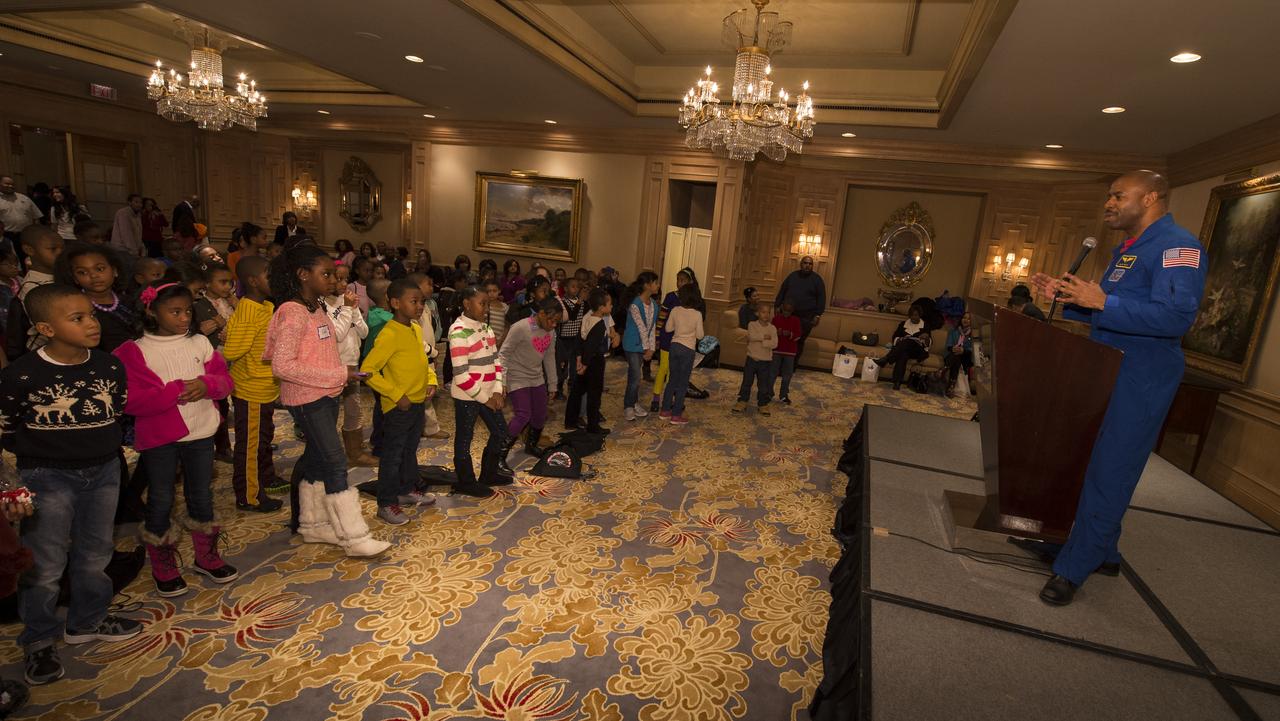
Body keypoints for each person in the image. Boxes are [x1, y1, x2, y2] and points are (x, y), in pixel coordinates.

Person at [1029, 170, 1206, 606]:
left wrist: (1104, 301)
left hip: (1141, 378)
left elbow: (1176, 318)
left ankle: (1074, 566)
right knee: (1090, 462)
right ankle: (1100, 550)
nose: (1108, 203)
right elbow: (1109, 313)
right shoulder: (1128, 250)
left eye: (1118, 195)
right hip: (1106, 370)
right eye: (1108, 196)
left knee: (1112, 470)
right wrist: (1068, 299)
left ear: (1150, 198)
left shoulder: (1177, 247)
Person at [0, 284, 142, 685]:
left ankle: (87, 620)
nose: (91, 323)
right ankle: (39, 638)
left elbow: (115, 410)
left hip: (104, 470)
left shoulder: (109, 366)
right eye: (77, 318)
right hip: (47, 474)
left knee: (96, 550)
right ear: (46, 328)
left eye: (91, 315)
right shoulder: (21, 374)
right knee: (44, 562)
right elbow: (7, 429)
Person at [263, 243, 389, 557]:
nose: (333, 280)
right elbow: (282, 366)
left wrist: (341, 374)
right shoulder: (292, 312)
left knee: (319, 459)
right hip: (307, 398)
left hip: (325, 393)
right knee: (335, 461)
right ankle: (354, 537)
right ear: (303, 275)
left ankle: (314, 525)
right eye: (326, 274)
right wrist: (338, 374)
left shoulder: (315, 306)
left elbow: (325, 343)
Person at [114, 280, 238, 597]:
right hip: (160, 438)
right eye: (175, 312)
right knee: (161, 497)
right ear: (151, 311)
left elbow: (225, 381)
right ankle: (163, 564)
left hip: (201, 431)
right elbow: (130, 400)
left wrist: (207, 385)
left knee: (201, 494)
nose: (184, 318)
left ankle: (206, 556)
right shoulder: (133, 351)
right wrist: (175, 391)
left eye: (187, 311)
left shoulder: (199, 342)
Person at [361, 278, 438, 525]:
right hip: (398, 407)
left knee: (408, 451)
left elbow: (423, 361)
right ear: (395, 303)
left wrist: (431, 380)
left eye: (422, 302)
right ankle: (385, 503)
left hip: (417, 403)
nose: (420, 306)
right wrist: (396, 395)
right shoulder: (389, 334)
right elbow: (368, 371)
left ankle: (405, 490)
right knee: (392, 456)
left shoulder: (414, 329)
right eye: (414, 301)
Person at [222, 256, 286, 513]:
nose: (275, 280)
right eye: (269, 275)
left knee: (263, 438)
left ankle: (264, 478)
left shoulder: (266, 306)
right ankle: (249, 495)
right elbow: (232, 350)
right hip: (251, 389)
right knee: (250, 445)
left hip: (265, 386)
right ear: (252, 281)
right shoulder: (248, 310)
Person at [449, 285, 512, 489]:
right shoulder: (459, 332)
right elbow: (461, 376)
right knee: (465, 438)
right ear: (467, 304)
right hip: (468, 396)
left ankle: (489, 474)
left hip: (489, 394)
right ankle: (466, 482)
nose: (486, 308)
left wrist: (497, 389)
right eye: (482, 303)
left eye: (488, 304)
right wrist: (486, 399)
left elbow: (496, 361)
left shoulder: (486, 328)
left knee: (501, 432)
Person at [499, 296, 561, 464]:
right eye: (551, 320)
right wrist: (501, 381)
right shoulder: (520, 327)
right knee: (523, 415)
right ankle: (499, 455)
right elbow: (503, 354)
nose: (554, 325)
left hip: (536, 377)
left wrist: (553, 384)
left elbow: (549, 357)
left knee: (540, 414)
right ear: (541, 314)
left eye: (557, 321)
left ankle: (531, 445)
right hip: (516, 376)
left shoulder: (551, 332)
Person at [326, 263, 377, 467]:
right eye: (338, 278)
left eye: (345, 278)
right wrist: (348, 308)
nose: (343, 283)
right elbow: (337, 334)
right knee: (329, 411)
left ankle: (355, 452)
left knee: (354, 408)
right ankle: (328, 453)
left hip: (351, 364)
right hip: (333, 366)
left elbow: (364, 333)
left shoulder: (346, 302)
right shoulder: (322, 305)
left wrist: (354, 310)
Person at [53, 243, 137, 353]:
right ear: (75, 279)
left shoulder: (132, 301)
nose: (93, 276)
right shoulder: (76, 310)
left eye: (100, 269)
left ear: (115, 271)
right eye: (82, 272)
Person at [409, 272, 450, 442]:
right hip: (422, 355)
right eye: (429, 284)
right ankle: (423, 428)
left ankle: (427, 427)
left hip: (429, 355)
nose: (432, 288)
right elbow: (415, 337)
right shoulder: (413, 309)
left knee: (428, 395)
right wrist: (432, 352)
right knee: (422, 395)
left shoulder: (427, 305)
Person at [566, 288, 614, 434]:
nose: (611, 306)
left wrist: (579, 359)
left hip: (584, 360)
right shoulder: (599, 324)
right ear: (601, 307)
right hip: (594, 362)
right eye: (609, 304)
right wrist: (585, 365)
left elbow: (579, 341)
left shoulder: (586, 319)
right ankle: (593, 426)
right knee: (594, 394)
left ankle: (570, 421)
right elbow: (592, 347)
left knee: (577, 391)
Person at [651, 269, 697, 412]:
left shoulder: (691, 300)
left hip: (682, 341)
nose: (679, 283)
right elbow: (661, 317)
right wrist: (657, 336)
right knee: (663, 368)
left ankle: (669, 398)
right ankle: (656, 398)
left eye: (683, 280)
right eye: (678, 280)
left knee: (674, 372)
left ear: (690, 282)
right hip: (667, 338)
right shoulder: (671, 297)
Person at [660, 284, 704, 425]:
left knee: (672, 380)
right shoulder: (697, 314)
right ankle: (676, 415)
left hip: (674, 346)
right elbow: (700, 335)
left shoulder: (675, 310)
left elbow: (668, 328)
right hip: (688, 349)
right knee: (683, 383)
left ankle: (665, 410)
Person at [361, 279, 394, 458]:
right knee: (386, 406)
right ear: (388, 296)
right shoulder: (385, 319)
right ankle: (381, 445)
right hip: (380, 368)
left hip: (374, 365)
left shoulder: (374, 313)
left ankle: (377, 438)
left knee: (381, 404)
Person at [622, 271, 660, 421]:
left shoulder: (654, 305)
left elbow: (652, 327)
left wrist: (652, 348)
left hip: (643, 346)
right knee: (636, 376)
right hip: (632, 344)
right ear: (647, 285)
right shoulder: (635, 304)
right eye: (655, 282)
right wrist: (647, 348)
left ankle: (633, 402)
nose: (658, 285)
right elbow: (641, 327)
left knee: (635, 376)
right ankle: (628, 406)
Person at [774, 255, 827, 363]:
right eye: (805, 263)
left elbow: (822, 298)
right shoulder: (792, 276)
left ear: (812, 266)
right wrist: (777, 306)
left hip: (806, 317)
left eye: (810, 264)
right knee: (783, 339)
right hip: (788, 314)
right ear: (801, 264)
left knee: (799, 341)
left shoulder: (817, 279)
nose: (807, 265)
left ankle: (792, 366)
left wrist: (817, 315)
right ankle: (780, 365)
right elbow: (782, 291)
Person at [876, 304, 932, 391]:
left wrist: (926, 338)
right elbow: (895, 337)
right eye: (912, 315)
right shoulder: (903, 324)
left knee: (908, 341)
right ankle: (897, 382)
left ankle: (886, 359)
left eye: (916, 315)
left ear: (920, 315)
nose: (913, 317)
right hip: (904, 349)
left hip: (917, 351)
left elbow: (929, 343)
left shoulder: (925, 326)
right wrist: (900, 339)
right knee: (903, 354)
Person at [734, 300, 777, 414]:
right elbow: (752, 336)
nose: (766, 315)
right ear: (757, 313)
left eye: (768, 312)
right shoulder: (752, 325)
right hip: (751, 359)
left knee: (763, 384)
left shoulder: (772, 328)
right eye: (763, 312)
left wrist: (763, 342)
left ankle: (762, 403)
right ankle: (742, 401)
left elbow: (774, 343)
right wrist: (765, 337)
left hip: (765, 362)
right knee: (747, 382)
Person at [554, 277, 584, 400]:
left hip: (577, 337)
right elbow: (571, 316)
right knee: (563, 363)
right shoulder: (563, 302)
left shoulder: (581, 302)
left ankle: (573, 386)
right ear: (565, 288)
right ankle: (559, 388)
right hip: (565, 338)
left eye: (577, 287)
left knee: (575, 363)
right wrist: (579, 302)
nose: (576, 289)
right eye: (573, 286)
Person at [771, 302, 801, 404]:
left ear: (792, 311)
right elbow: (769, 334)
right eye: (785, 310)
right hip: (776, 350)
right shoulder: (776, 319)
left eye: (789, 311)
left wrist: (790, 334)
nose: (786, 313)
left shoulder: (796, 320)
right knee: (772, 373)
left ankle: (783, 395)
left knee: (787, 375)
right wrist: (776, 333)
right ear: (781, 309)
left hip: (790, 352)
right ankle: (769, 393)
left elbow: (798, 336)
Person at [0, 176, 43, 248]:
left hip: (26, 235)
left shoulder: (24, 198)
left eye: (12, 184)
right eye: (7, 184)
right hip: (5, 236)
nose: (10, 186)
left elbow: (36, 217)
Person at [944, 311, 975, 396]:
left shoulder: (973, 334)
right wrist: (953, 348)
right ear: (961, 319)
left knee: (957, 356)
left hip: (965, 358)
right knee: (956, 357)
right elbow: (948, 345)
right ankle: (951, 387)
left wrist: (963, 350)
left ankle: (943, 370)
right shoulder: (953, 331)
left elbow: (973, 349)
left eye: (968, 319)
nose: (966, 320)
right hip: (952, 355)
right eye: (964, 318)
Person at [110, 194, 144, 259]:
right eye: (136, 202)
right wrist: (134, 252)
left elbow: (138, 233)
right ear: (129, 202)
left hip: (132, 249)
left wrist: (140, 247)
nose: (139, 205)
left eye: (141, 202)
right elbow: (126, 234)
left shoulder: (138, 215)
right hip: (122, 248)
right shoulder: (123, 213)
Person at [483, 278, 509, 348]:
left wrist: (501, 341)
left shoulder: (504, 307)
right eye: (488, 291)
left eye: (494, 291)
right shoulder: (483, 306)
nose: (491, 293)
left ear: (499, 291)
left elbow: (507, 326)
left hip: (499, 343)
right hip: (484, 341)